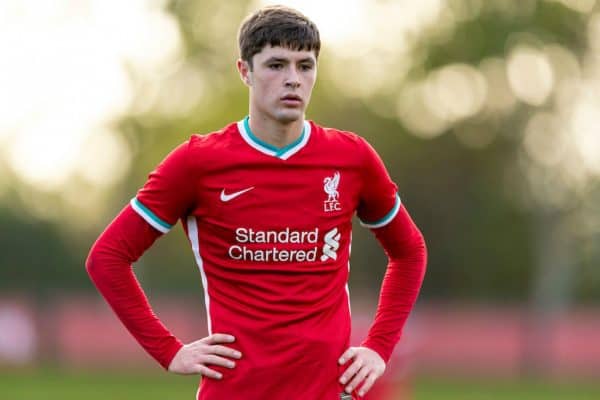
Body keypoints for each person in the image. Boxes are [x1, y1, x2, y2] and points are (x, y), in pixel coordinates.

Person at [86, 5, 427, 400]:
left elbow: (409, 251)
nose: (293, 80)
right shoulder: (198, 162)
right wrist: (168, 351)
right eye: (276, 65)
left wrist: (379, 346)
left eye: (305, 66)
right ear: (245, 71)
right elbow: (107, 257)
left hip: (325, 392)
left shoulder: (352, 158)